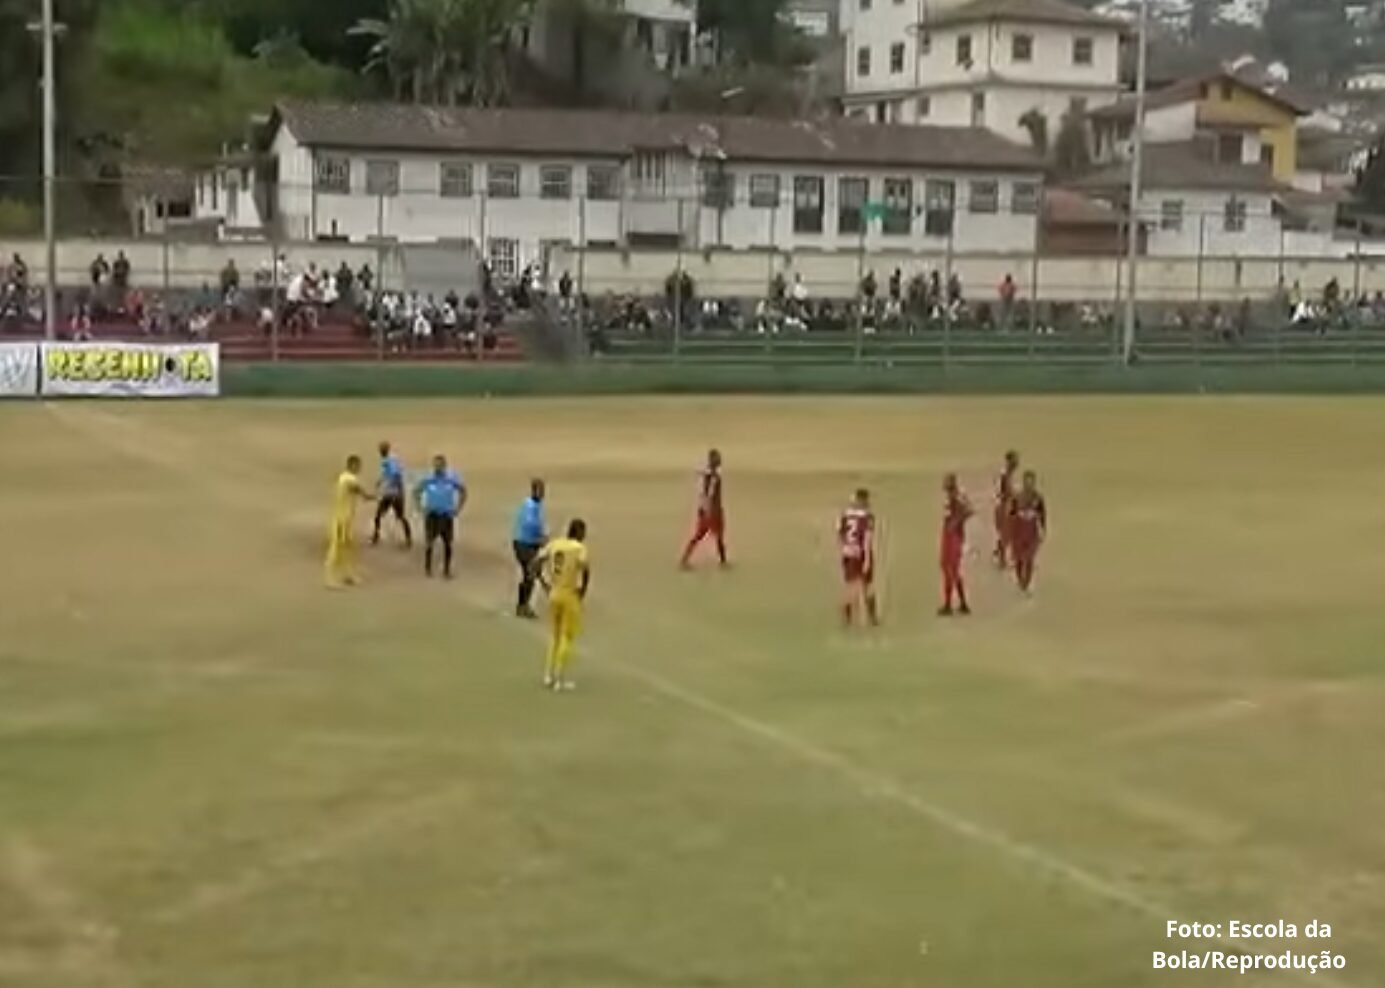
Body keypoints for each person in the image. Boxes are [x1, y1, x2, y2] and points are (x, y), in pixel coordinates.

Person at [533, 518, 591, 691]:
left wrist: (543, 583)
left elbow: (535, 563)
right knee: (567, 636)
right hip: (569, 595)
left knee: (555, 636)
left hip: (554, 592)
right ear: (579, 532)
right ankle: (559, 677)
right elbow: (586, 570)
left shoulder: (555, 544)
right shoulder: (579, 548)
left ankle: (548, 675)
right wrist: (583, 590)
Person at [325, 454, 375, 589]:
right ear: (352, 465)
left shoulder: (343, 477)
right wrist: (373, 496)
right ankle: (330, 578)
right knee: (336, 548)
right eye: (358, 465)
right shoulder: (349, 479)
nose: (359, 468)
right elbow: (361, 492)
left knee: (348, 547)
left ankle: (348, 575)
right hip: (342, 519)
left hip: (347, 518)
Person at [414, 454, 466, 578]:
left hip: (446, 515)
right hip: (432, 515)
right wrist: (420, 507)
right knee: (429, 542)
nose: (438, 467)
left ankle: (446, 569)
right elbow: (417, 491)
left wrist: (458, 508)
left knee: (447, 543)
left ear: (444, 465)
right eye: (436, 465)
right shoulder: (428, 478)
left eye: (440, 465)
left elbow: (463, 491)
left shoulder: (451, 478)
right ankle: (428, 568)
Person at [680, 448, 727, 569]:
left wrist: (703, 509)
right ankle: (723, 562)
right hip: (713, 511)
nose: (720, 460)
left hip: (707, 510)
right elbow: (709, 494)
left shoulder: (708, 475)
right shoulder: (714, 477)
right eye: (717, 458)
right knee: (716, 536)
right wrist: (708, 511)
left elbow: (703, 491)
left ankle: (685, 559)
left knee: (704, 536)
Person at [838, 488, 878, 627]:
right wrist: (867, 559)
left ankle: (846, 618)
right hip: (860, 553)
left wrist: (844, 550)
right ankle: (872, 617)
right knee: (867, 585)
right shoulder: (867, 517)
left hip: (848, 552)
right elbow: (867, 539)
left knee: (849, 585)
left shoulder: (846, 515)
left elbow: (841, 535)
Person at [512, 478, 548, 618]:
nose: (542, 493)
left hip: (529, 544)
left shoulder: (535, 505)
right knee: (529, 575)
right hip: (524, 544)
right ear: (534, 490)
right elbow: (530, 524)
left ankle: (523, 605)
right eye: (539, 490)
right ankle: (522, 606)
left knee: (530, 575)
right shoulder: (530, 506)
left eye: (543, 490)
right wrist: (541, 537)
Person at [939, 473, 973, 616]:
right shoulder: (953, 496)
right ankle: (962, 603)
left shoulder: (955, 497)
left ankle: (949, 604)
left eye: (946, 482)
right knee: (950, 569)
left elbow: (969, 511)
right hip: (949, 535)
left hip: (953, 537)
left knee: (949, 569)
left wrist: (957, 522)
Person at [1011, 470, 1048, 593]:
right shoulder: (1017, 497)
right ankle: (1020, 580)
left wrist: (1043, 529)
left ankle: (1026, 583)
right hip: (1019, 528)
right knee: (1018, 558)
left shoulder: (1038, 498)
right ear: (1024, 482)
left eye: (1031, 481)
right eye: (1027, 481)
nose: (1029, 484)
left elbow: (1042, 514)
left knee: (1030, 558)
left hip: (1032, 530)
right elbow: (1011, 513)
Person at [371, 441, 413, 547]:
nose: (381, 451)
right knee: (378, 515)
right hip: (388, 493)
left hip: (394, 494)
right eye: (380, 449)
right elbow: (387, 474)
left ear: (387, 449)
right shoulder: (386, 460)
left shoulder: (391, 460)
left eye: (382, 449)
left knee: (400, 517)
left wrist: (398, 492)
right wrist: (380, 481)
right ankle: (376, 535)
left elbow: (396, 475)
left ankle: (408, 538)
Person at [994, 450, 1020, 569]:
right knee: (1006, 534)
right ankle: (1002, 560)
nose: (1017, 462)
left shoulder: (1007, 474)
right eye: (1014, 460)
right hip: (1004, 507)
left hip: (1005, 506)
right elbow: (1006, 492)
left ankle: (1001, 556)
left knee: (1007, 534)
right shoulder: (1005, 475)